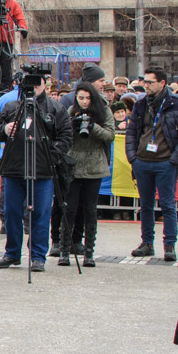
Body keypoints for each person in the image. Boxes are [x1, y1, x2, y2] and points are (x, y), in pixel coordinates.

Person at [0, 67, 72, 271]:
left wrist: (50, 156)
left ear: (45, 84)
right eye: (30, 84)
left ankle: (38, 256)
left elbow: (66, 138)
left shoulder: (55, 108)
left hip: (43, 170)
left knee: (41, 214)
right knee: (11, 213)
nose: (34, 87)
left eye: (38, 83)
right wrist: (4, 129)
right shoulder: (12, 107)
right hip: (14, 168)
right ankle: (12, 253)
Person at [123, 67, 178, 260]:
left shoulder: (176, 104)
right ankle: (147, 243)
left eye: (149, 82)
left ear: (162, 83)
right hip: (142, 162)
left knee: (168, 205)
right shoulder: (140, 104)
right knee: (145, 205)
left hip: (165, 163)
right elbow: (132, 132)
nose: (145, 85)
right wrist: (132, 157)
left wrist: (174, 160)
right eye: (144, 82)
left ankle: (169, 245)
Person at [59, 82, 115, 267]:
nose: (84, 102)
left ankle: (89, 253)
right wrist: (73, 126)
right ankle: (64, 251)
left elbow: (110, 135)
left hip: (95, 164)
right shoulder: (70, 111)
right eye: (80, 98)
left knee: (90, 209)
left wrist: (93, 126)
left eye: (87, 98)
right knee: (70, 208)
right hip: (73, 163)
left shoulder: (104, 111)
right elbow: (63, 135)